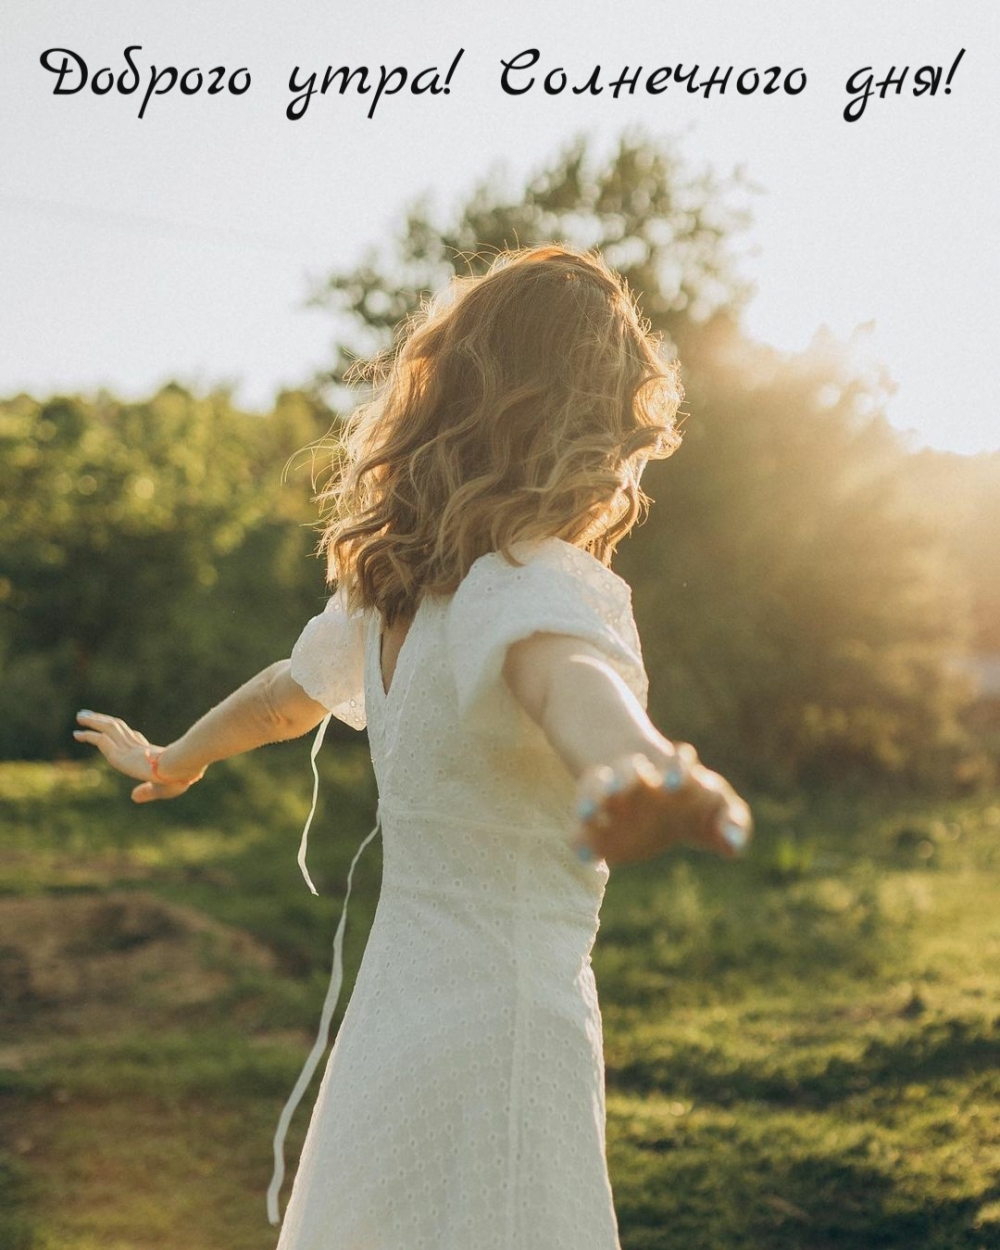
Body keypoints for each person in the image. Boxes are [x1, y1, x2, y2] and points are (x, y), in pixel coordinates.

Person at [74, 244, 752, 1249]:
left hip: (398, 1020)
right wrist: (632, 764)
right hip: (507, 1030)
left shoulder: (393, 595)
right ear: (590, 423)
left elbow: (283, 698)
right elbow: (570, 677)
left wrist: (180, 754)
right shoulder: (531, 580)